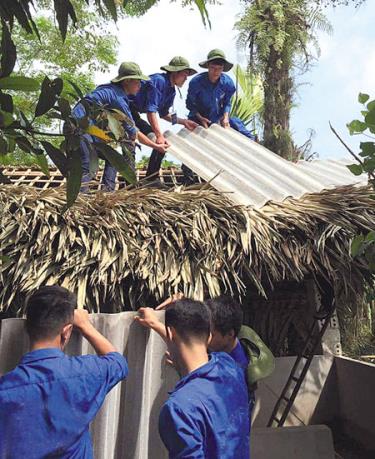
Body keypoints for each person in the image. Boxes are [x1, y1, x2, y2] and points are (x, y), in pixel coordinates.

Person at [0, 285, 128, 459]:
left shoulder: (5, 389)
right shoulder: (84, 374)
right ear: (66, 332)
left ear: (27, 329)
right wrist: (85, 326)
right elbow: (118, 363)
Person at [137, 298, 249, 458]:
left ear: (171, 333)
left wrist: (156, 324)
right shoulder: (232, 368)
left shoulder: (178, 409)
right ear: (209, 336)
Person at [70, 61, 169, 191]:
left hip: (87, 130)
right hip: (78, 126)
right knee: (86, 163)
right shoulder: (118, 98)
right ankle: (80, 200)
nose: (140, 85)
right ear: (127, 81)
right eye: (137, 81)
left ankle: (107, 193)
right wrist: (156, 146)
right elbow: (134, 132)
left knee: (113, 159)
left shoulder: (109, 90)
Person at [184, 49, 256, 184]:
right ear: (208, 67)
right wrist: (200, 117)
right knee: (192, 142)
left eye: (219, 68)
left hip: (217, 116)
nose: (216, 72)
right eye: (213, 68)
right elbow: (189, 104)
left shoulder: (227, 83)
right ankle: (188, 177)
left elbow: (227, 102)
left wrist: (226, 117)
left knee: (238, 125)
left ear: (223, 69)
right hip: (198, 117)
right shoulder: (196, 82)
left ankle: (252, 157)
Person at [129, 56, 199, 181]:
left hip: (135, 114)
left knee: (161, 144)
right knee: (135, 142)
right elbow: (151, 112)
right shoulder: (159, 81)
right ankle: (129, 179)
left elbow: (164, 114)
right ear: (175, 72)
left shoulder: (172, 91)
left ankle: (151, 180)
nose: (186, 78)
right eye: (184, 75)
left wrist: (183, 122)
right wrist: (159, 135)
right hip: (126, 110)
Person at [205, 296, 275, 419]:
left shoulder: (235, 368)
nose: (205, 338)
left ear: (229, 334)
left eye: (211, 334)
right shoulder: (225, 343)